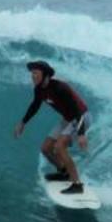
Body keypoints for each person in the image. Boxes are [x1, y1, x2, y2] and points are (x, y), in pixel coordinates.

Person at [13, 60, 90, 194]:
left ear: (46, 75)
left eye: (36, 73)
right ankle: (63, 172)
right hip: (67, 119)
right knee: (46, 148)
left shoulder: (60, 88)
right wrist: (23, 122)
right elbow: (35, 106)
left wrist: (81, 133)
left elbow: (78, 111)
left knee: (59, 147)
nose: (33, 76)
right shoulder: (39, 89)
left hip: (81, 117)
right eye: (32, 73)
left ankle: (77, 184)